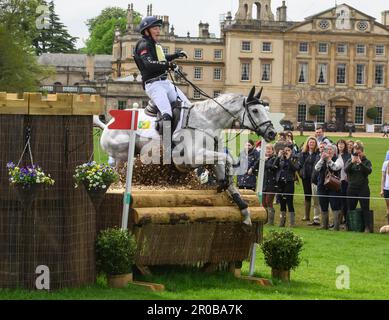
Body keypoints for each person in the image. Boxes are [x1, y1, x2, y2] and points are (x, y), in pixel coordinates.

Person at [133, 16, 190, 134]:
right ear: (146, 30)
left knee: (187, 107)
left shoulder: (154, 44)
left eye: (159, 28)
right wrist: (169, 65)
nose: (158, 30)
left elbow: (162, 59)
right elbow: (149, 63)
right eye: (155, 28)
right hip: (154, 85)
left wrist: (176, 55)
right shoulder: (143, 44)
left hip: (165, 82)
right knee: (167, 113)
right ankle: (167, 146)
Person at [345, 142, 373, 233]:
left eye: (359, 152)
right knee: (350, 208)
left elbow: (368, 171)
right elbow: (346, 170)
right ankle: (349, 226)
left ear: (362, 152)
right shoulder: (350, 161)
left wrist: (360, 163)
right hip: (352, 187)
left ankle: (367, 227)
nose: (357, 154)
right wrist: (352, 162)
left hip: (363, 188)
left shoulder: (367, 161)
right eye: (355, 153)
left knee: (365, 208)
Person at [314, 144, 343, 230]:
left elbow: (336, 167)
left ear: (334, 152)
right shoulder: (321, 159)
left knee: (335, 205)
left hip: (333, 186)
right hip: (322, 186)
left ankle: (336, 226)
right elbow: (316, 168)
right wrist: (322, 159)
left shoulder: (338, 159)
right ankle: (324, 225)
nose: (329, 151)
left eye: (331, 150)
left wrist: (329, 160)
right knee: (323, 205)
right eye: (327, 150)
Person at [274, 144, 299, 228]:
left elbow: (295, 168)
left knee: (289, 202)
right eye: (285, 150)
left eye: (288, 150)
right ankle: (282, 222)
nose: (286, 152)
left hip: (289, 182)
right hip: (280, 182)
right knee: (282, 202)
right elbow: (274, 166)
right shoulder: (280, 158)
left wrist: (288, 159)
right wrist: (278, 156)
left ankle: (292, 223)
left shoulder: (294, 158)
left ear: (292, 151)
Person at [298, 137, 319, 223]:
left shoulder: (317, 153)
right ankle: (306, 215)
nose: (311, 144)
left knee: (315, 197)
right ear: (307, 143)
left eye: (313, 143)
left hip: (315, 178)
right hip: (305, 177)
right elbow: (300, 165)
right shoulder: (303, 153)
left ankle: (316, 216)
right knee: (307, 195)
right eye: (310, 142)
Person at [308, 141, 328, 226]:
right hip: (314, 182)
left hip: (324, 183)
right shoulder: (317, 156)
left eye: (324, 147)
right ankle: (316, 219)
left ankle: (327, 221)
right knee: (315, 201)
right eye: (321, 147)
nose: (322, 149)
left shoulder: (328, 158)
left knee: (324, 202)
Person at [337, 139, 351, 227]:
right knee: (337, 202)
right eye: (339, 144)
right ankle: (338, 220)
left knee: (344, 202)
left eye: (342, 144)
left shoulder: (348, 155)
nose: (341, 146)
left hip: (344, 181)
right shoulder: (335, 155)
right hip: (335, 180)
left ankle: (346, 220)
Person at [263, 144, 278, 225]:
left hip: (272, 184)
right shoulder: (262, 159)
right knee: (263, 203)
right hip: (264, 183)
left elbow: (273, 167)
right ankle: (264, 220)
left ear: (273, 150)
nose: (268, 151)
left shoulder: (275, 159)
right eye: (266, 149)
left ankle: (270, 221)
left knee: (269, 202)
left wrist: (266, 161)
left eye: (269, 149)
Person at [381, 151, 389, 225]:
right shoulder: (385, 164)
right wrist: (382, 189)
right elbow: (383, 177)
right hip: (387, 188)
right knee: (388, 204)